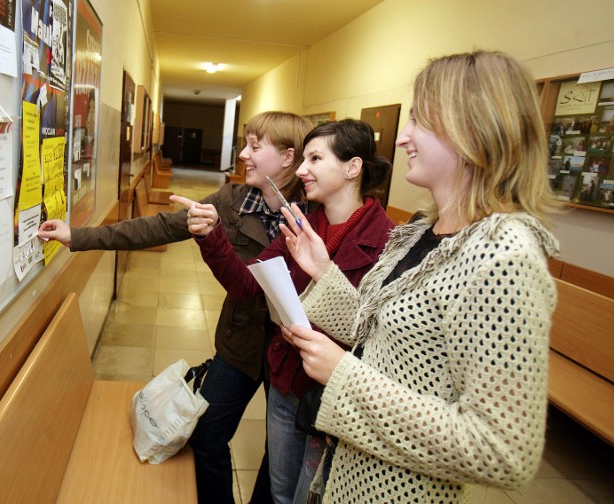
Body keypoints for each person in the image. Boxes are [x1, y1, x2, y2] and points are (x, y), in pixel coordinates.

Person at [279, 51, 560, 503]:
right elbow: (381, 335)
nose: (404, 137)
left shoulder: (503, 255)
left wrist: (344, 376)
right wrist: (323, 271)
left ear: (475, 129)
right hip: (349, 474)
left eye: (420, 121)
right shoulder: (420, 232)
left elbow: (503, 452)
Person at [37, 111, 315, 504]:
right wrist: (78, 235)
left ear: (288, 158)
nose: (242, 154)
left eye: (255, 147)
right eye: (245, 144)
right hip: (239, 345)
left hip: (289, 354)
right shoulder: (231, 202)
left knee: (279, 460)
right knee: (207, 437)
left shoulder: (313, 216)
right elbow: (160, 227)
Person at [178, 120, 394, 504]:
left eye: (315, 158)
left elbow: (376, 339)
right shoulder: (304, 225)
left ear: (352, 167)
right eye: (303, 157)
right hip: (284, 385)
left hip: (328, 397)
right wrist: (211, 237)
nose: (302, 170)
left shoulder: (387, 244)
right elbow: (248, 285)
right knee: (279, 492)